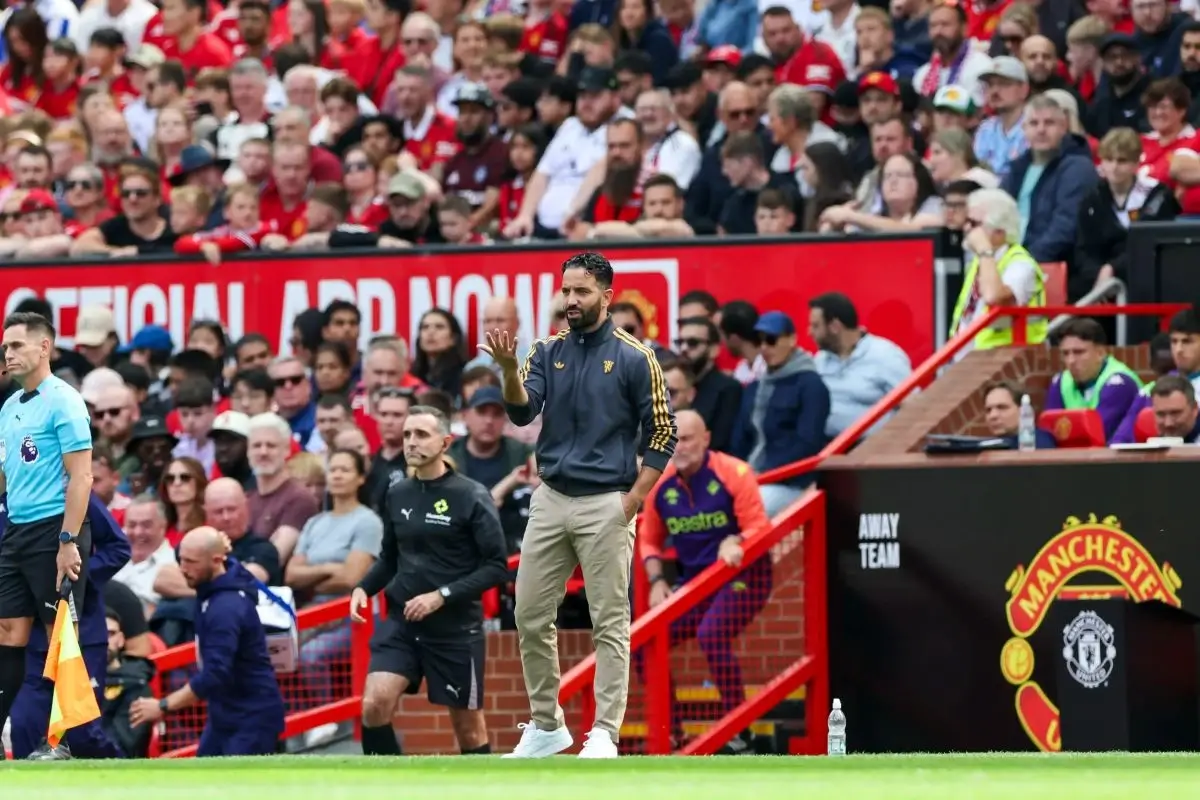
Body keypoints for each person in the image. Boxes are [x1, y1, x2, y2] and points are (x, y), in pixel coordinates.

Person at [481, 251, 677, 759]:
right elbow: (523, 413)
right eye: (566, 291)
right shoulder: (546, 351)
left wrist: (633, 501)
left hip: (607, 501)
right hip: (550, 497)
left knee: (609, 621)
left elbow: (664, 432)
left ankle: (605, 732)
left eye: (582, 291)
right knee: (528, 615)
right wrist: (506, 371)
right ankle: (547, 725)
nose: (571, 300)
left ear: (607, 297)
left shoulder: (637, 356)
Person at [350, 406, 508, 756]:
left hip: (454, 629)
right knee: (375, 704)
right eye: (407, 435)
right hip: (402, 622)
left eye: (421, 435)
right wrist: (363, 587)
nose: (411, 442)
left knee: (468, 729)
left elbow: (496, 567)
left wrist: (441, 595)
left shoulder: (471, 495)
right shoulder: (397, 492)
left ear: (445, 442)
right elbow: (390, 556)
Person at [636, 411, 771, 754]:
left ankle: (740, 731)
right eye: (673, 440)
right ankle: (672, 733)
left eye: (687, 439)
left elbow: (760, 528)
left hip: (743, 576)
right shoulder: (659, 484)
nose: (679, 447)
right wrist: (655, 581)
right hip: (695, 584)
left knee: (710, 634)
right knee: (641, 646)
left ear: (706, 439)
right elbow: (649, 540)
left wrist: (737, 541)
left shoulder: (735, 472)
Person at [0, 311, 95, 743]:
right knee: (9, 630)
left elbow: (83, 476)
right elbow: (7, 474)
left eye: (17, 345)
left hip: (53, 529)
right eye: (5, 348)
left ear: (44, 347)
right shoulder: (8, 406)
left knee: (61, 636)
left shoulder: (66, 400)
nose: (8, 354)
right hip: (17, 530)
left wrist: (68, 541)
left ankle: (62, 742)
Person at [128, 526, 285, 756]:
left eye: (191, 562)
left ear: (215, 560)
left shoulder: (226, 609)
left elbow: (215, 674)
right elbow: (230, 566)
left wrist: (163, 705)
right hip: (225, 711)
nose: (183, 569)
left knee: (237, 788)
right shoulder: (226, 575)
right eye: (182, 560)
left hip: (251, 716)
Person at [4, 492, 131, 760]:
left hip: (79, 630)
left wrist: (74, 580)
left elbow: (118, 548)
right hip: (29, 635)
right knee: (25, 725)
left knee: (80, 732)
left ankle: (120, 776)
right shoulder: (12, 500)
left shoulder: (69, 492)